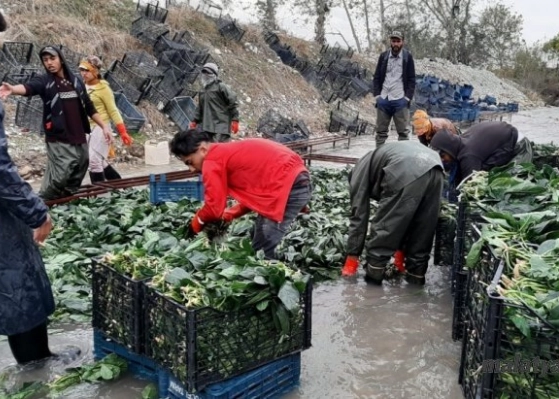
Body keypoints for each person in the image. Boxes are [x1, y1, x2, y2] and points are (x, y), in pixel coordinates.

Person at [0, 5, 77, 366]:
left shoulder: (73, 83)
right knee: (17, 283)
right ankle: (36, 368)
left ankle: (38, 361)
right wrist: (35, 211)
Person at [170, 130, 312, 259]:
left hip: (289, 187)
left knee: (261, 252)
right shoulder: (224, 152)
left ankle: (285, 282)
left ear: (202, 150)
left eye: (190, 162)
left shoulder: (212, 161)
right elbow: (257, 194)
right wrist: (231, 213)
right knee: (257, 234)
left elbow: (214, 208)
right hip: (294, 181)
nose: (190, 169)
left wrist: (197, 222)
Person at [0, 45, 113, 200]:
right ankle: (44, 200)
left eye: (52, 58)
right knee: (61, 171)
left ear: (61, 59)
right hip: (58, 134)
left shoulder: (76, 81)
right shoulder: (45, 81)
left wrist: (104, 126)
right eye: (45, 60)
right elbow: (29, 87)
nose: (49, 63)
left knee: (81, 163)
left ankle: (67, 196)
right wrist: (13, 89)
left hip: (77, 133)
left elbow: (89, 107)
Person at [342, 141, 444, 286]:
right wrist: (400, 254)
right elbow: (406, 218)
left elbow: (358, 215)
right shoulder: (374, 161)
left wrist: (352, 256)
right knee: (423, 230)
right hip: (436, 168)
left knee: (384, 229)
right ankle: (415, 283)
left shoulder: (357, 174)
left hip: (405, 168)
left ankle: (372, 285)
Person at [429, 121, 533, 190]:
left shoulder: (469, 156)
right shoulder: (461, 141)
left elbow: (470, 185)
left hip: (519, 144)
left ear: (449, 149)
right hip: (501, 137)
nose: (443, 160)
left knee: (514, 184)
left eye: (443, 156)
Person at [78, 56, 133, 183]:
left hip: (101, 127)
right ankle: (120, 186)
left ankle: (99, 196)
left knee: (94, 160)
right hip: (86, 127)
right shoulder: (81, 86)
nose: (83, 73)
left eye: (87, 70)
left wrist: (123, 131)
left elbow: (113, 110)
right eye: (81, 70)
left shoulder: (104, 89)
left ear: (95, 71)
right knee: (99, 160)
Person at [372, 31, 416, 147]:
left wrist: (406, 98)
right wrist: (377, 96)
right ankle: (379, 157)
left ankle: (402, 159)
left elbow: (412, 79)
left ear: (402, 42)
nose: (395, 44)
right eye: (393, 41)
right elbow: (376, 77)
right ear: (390, 42)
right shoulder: (384, 56)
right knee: (380, 133)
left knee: (403, 133)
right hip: (384, 99)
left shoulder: (407, 57)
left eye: (398, 41)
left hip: (400, 100)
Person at [188, 62, 240, 143]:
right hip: (207, 126)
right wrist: (195, 121)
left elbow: (233, 101)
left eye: (208, 73)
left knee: (221, 149)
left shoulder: (221, 87)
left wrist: (235, 119)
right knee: (209, 149)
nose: (205, 75)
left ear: (214, 75)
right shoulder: (203, 91)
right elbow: (200, 107)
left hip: (221, 126)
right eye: (204, 72)